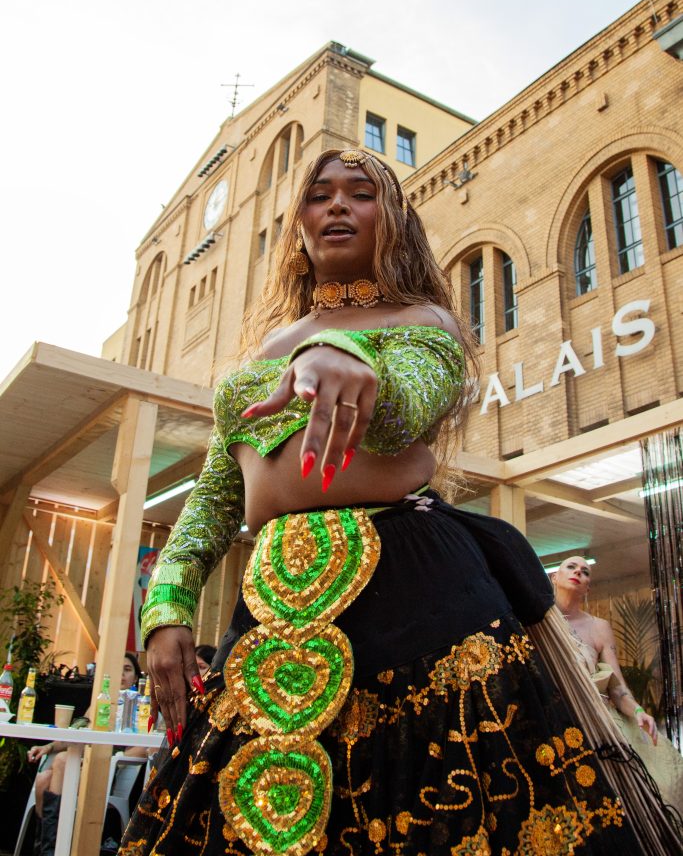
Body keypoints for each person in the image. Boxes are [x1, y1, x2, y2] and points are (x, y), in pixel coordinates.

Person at [120, 149, 679, 855]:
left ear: (394, 222)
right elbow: (211, 499)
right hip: (272, 606)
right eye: (318, 194)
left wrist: (345, 361)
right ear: (297, 224)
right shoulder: (261, 353)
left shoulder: (425, 322)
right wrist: (167, 607)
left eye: (361, 194)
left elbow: (405, 407)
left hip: (416, 591)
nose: (336, 206)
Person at [552, 554, 683, 817]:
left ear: (588, 588)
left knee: (656, 786)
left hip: (599, 720)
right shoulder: (539, 623)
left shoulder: (599, 627)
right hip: (556, 718)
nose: (579, 571)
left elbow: (617, 686)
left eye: (585, 571)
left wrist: (637, 711)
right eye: (571, 567)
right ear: (554, 577)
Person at [28, 653, 146, 855]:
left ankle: (52, 850)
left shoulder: (141, 705)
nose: (122, 674)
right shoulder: (101, 702)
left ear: (136, 677)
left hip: (109, 772)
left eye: (127, 669)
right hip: (83, 764)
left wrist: (111, 761)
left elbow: (145, 748)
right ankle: (51, 848)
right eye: (117, 668)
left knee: (64, 761)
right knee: (42, 780)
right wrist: (48, 747)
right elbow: (78, 733)